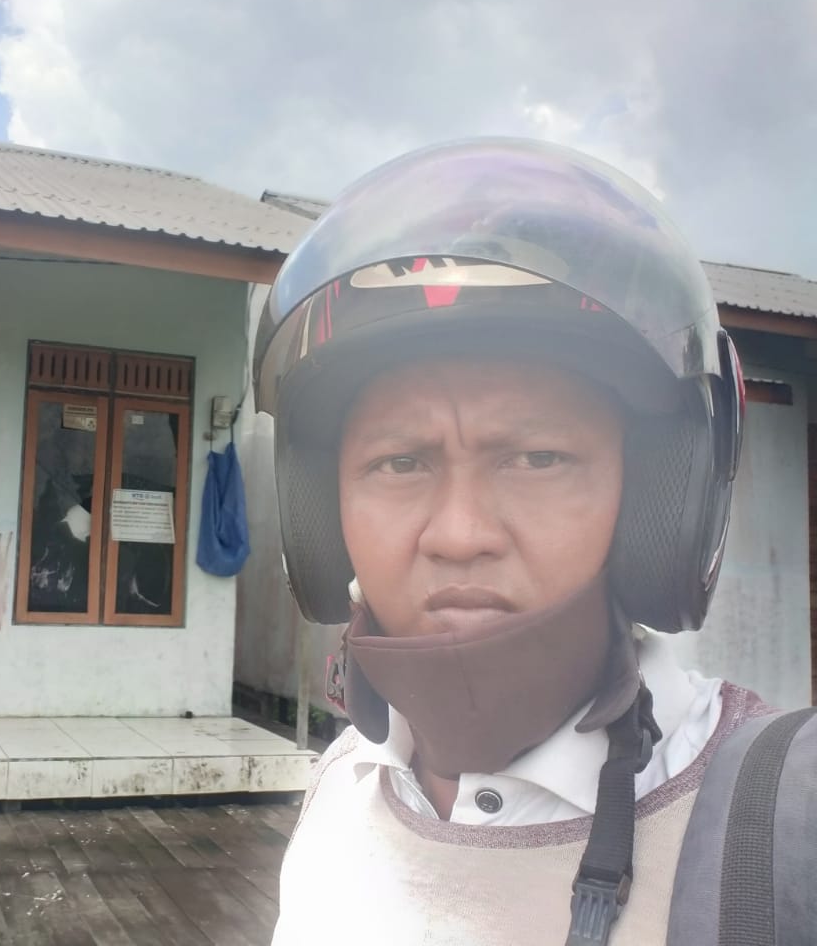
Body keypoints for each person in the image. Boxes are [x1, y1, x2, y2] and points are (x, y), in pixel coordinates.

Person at [252, 139, 772, 944]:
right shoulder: (341, 787)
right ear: (323, 512)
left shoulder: (783, 818)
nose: (460, 535)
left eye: (537, 458)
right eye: (400, 463)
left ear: (658, 499)